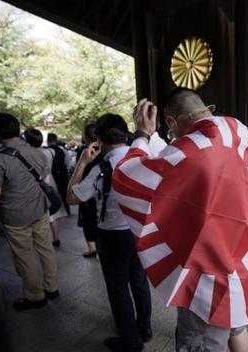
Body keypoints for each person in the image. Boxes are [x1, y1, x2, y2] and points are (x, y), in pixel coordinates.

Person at [112, 88, 248, 352]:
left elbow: (127, 179)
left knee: (200, 341)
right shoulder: (240, 133)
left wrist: (143, 134)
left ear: (171, 122)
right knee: (236, 325)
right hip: (240, 255)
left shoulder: (189, 151)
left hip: (208, 273)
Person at [67, 114, 152, 352]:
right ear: (125, 134)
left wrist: (83, 162)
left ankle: (130, 341)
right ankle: (144, 328)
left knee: (118, 289)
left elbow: (72, 197)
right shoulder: (143, 158)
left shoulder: (101, 169)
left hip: (113, 235)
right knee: (139, 281)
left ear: (100, 139)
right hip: (140, 230)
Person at [0, 113, 59, 311]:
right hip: (40, 210)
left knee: (24, 257)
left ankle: (35, 297)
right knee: (46, 249)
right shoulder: (37, 152)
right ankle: (52, 288)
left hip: (14, 216)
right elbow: (46, 180)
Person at [24, 128, 68, 248]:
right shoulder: (49, 152)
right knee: (53, 212)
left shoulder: (28, 154)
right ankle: (56, 238)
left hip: (37, 183)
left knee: (41, 213)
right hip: (50, 181)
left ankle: (43, 240)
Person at [75, 122, 103, 258]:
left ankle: (92, 248)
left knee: (88, 219)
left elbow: (78, 175)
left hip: (86, 192)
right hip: (102, 191)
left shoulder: (84, 153)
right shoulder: (105, 150)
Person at [47, 133, 71, 215]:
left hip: (52, 175)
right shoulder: (62, 150)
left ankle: (55, 210)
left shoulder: (46, 151)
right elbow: (68, 162)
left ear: (48, 140)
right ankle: (67, 210)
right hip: (62, 175)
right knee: (63, 192)